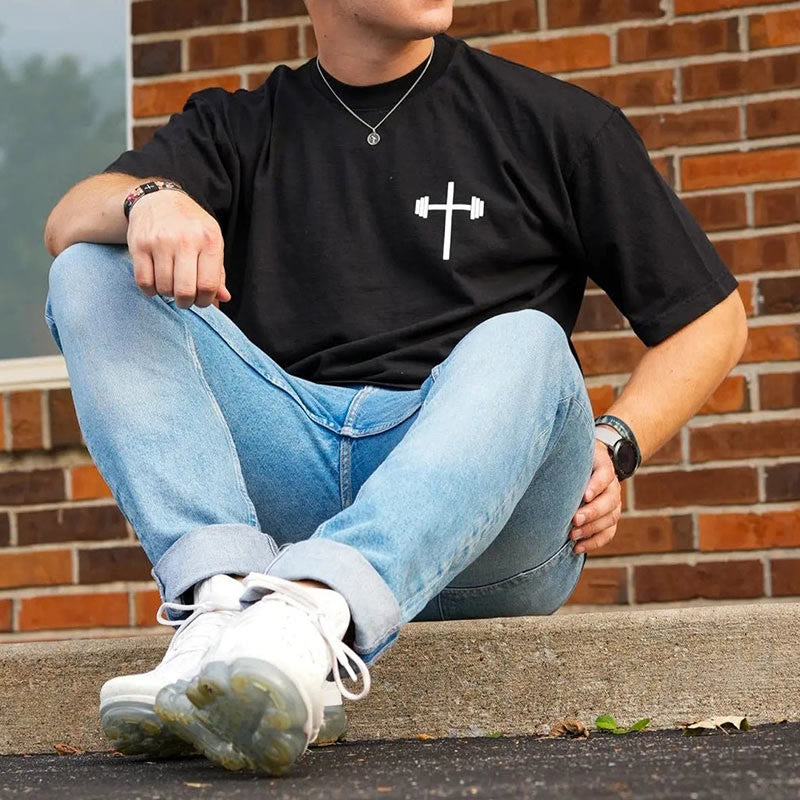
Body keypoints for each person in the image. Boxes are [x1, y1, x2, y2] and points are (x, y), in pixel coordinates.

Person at [42, 0, 747, 777]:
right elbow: (66, 219)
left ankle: (308, 617)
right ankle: (222, 606)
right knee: (90, 266)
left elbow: (712, 321)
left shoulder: (554, 123)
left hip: (489, 521)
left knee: (530, 339)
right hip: (300, 481)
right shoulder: (238, 127)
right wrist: (149, 197)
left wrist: (615, 443)